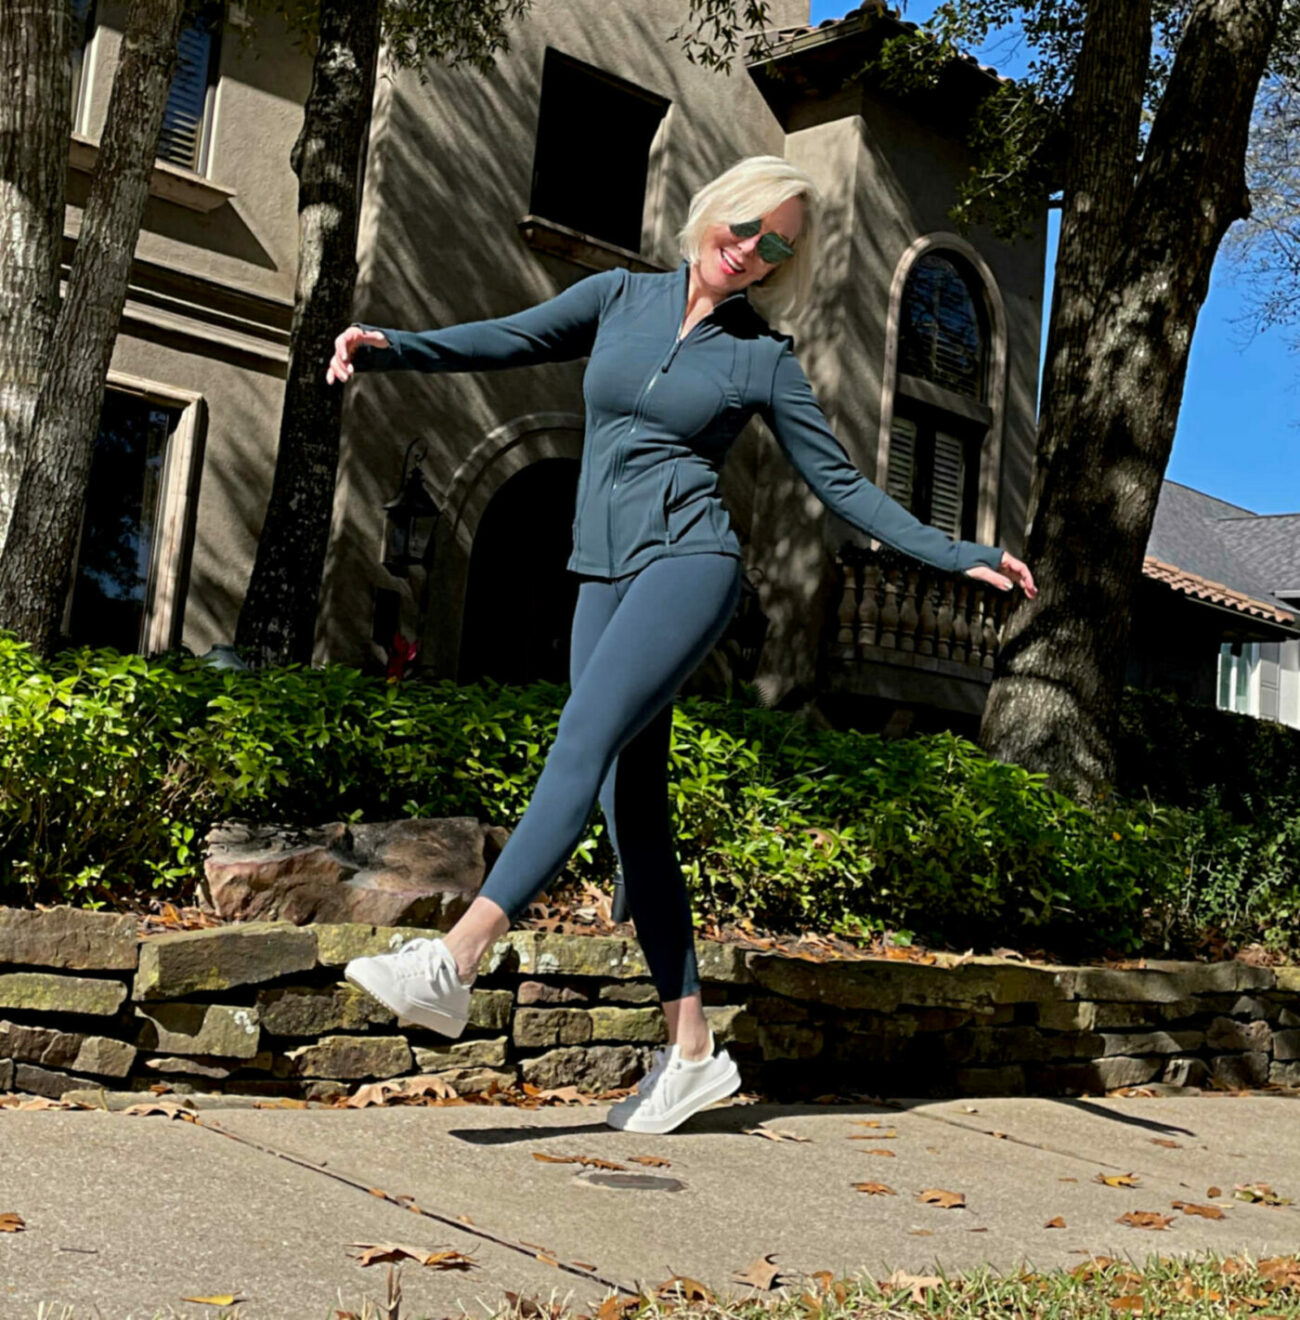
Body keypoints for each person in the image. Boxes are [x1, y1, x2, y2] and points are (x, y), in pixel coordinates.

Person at [325, 155, 1037, 1134]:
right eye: (745, 229)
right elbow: (508, 338)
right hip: (600, 574)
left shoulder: (761, 359)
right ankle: (693, 1048)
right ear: (717, 211)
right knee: (632, 812)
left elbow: (843, 485)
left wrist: (955, 550)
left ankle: (455, 957)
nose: (750, 254)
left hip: (690, 564)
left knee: (579, 743)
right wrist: (390, 346)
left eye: (774, 248)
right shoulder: (618, 296)